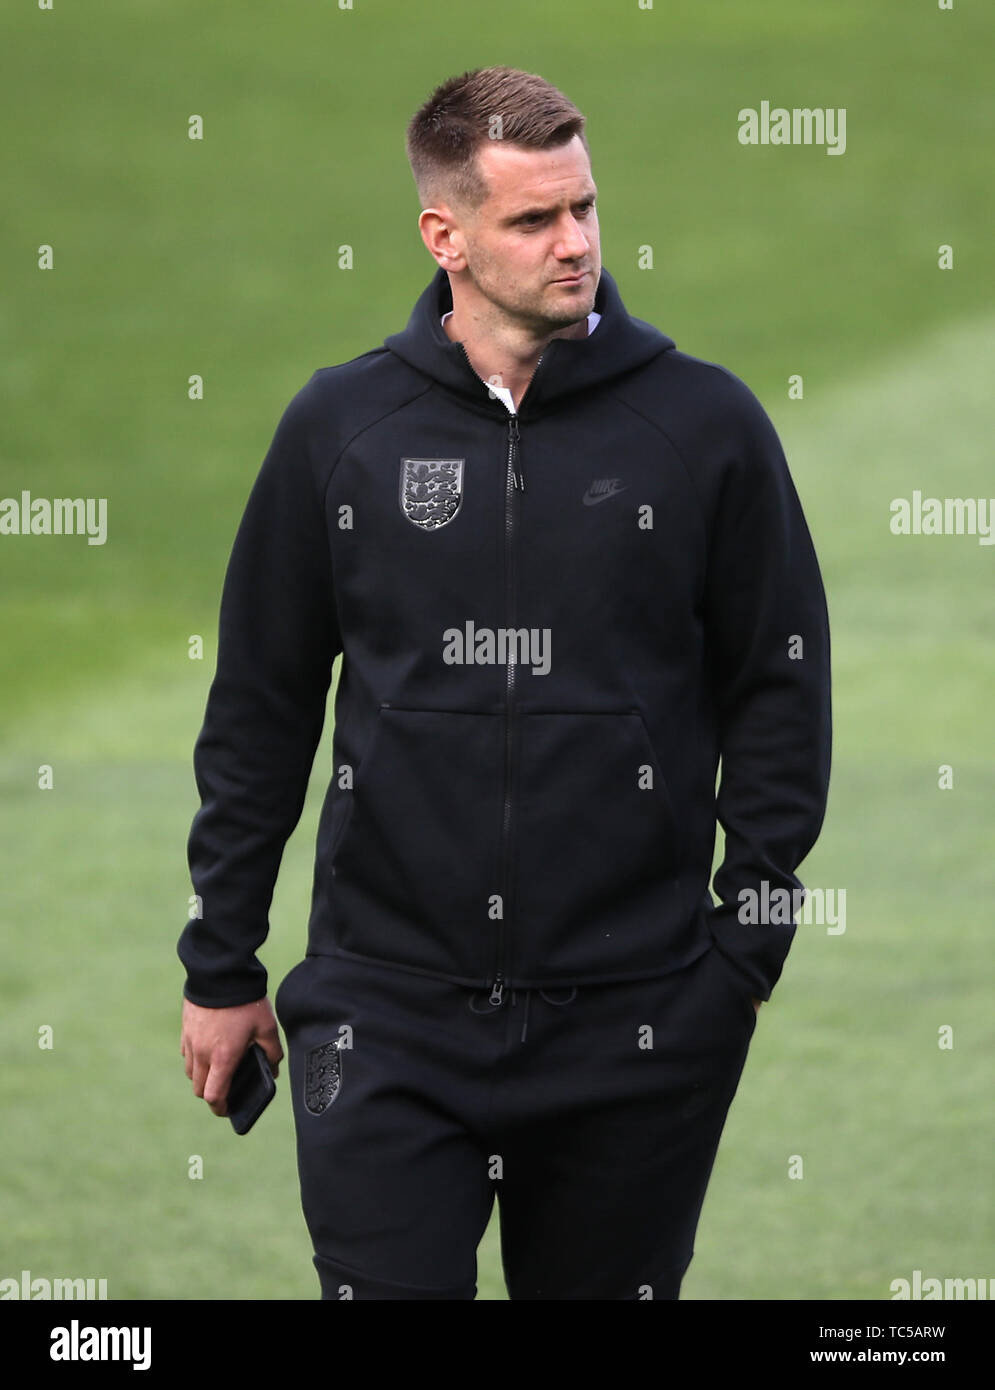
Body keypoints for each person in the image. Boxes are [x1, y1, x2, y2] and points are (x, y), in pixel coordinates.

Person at [178, 65, 832, 1301]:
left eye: (582, 209)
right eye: (533, 220)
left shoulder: (705, 428)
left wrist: (741, 957)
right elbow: (261, 706)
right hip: (384, 1017)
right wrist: (222, 965)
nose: (573, 242)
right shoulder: (340, 432)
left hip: (635, 1025)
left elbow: (780, 692)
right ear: (446, 236)